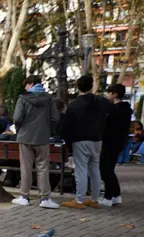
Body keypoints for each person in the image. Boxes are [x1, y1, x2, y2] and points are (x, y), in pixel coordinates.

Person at [60, 75, 109, 210]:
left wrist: (68, 143)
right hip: (97, 139)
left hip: (80, 139)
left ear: (78, 86)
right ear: (92, 85)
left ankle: (79, 200)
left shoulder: (74, 105)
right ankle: (94, 199)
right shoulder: (101, 101)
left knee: (81, 169)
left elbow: (68, 126)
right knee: (95, 168)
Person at [12, 75, 60, 209]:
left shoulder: (23, 99)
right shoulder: (49, 99)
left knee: (26, 167)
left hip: (25, 136)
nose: (25, 88)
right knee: (43, 167)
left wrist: (19, 128)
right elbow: (55, 117)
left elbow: (17, 118)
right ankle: (45, 198)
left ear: (31, 84)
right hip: (43, 137)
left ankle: (24, 196)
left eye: (26, 85)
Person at [98, 84, 131, 207]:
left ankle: (109, 197)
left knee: (105, 169)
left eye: (109, 93)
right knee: (108, 169)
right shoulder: (124, 110)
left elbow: (109, 127)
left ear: (115, 94)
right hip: (117, 142)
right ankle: (116, 195)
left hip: (111, 142)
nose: (107, 95)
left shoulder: (115, 110)